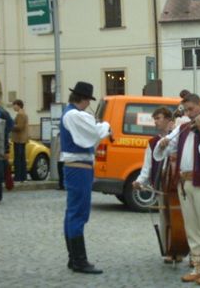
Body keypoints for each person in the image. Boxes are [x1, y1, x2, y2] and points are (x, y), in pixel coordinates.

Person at [154, 93, 200, 286]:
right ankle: (197, 267)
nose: (190, 114)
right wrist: (164, 143)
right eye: (187, 110)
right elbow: (166, 149)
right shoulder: (183, 128)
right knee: (191, 228)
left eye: (192, 109)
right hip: (184, 183)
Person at [61, 82, 110, 275]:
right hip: (79, 167)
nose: (88, 103)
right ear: (84, 99)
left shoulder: (72, 114)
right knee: (78, 213)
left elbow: (90, 137)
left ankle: (74, 258)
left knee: (73, 212)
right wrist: (105, 125)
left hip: (78, 167)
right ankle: (78, 260)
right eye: (88, 100)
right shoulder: (74, 115)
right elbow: (96, 133)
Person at [132, 107, 179, 263]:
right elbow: (147, 167)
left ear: (168, 120)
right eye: (155, 119)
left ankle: (188, 251)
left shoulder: (179, 137)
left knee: (183, 220)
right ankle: (170, 250)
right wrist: (139, 181)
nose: (156, 121)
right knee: (165, 219)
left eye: (158, 118)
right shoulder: (152, 143)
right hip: (162, 185)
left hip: (177, 185)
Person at [12, 99, 29, 182]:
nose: (13, 107)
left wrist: (11, 125)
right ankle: (22, 176)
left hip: (19, 139)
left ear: (18, 105)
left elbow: (19, 127)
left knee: (19, 159)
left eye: (14, 105)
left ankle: (19, 176)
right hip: (21, 139)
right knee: (21, 158)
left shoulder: (20, 114)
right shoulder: (22, 113)